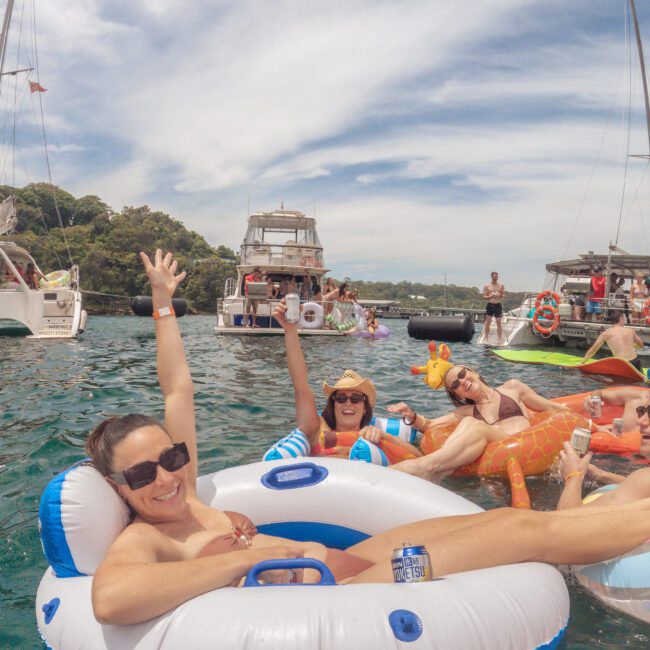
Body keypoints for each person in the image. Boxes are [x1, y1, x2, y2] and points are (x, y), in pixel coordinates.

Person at [87, 254, 650, 626]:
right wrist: (237, 564)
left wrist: (163, 303)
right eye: (142, 474)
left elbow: (178, 391)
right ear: (118, 485)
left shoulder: (185, 497)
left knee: (492, 523)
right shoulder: (145, 540)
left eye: (172, 457)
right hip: (349, 585)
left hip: (349, 558)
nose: (165, 476)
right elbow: (111, 601)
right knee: (522, 529)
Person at [387, 363, 569, 482]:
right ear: (458, 394)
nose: (462, 382)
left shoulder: (513, 388)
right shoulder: (468, 411)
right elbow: (430, 425)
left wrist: (592, 423)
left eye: (463, 374)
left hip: (525, 447)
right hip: (500, 456)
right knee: (468, 421)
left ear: (473, 371)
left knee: (477, 426)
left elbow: (551, 408)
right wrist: (410, 415)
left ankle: (427, 467)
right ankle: (434, 470)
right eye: (456, 385)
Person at [482, 271, 505, 344]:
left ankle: (500, 339)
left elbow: (503, 295)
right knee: (488, 322)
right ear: (492, 276)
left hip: (498, 305)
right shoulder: (487, 285)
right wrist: (491, 296)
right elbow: (484, 296)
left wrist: (500, 295)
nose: (496, 277)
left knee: (499, 322)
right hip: (490, 304)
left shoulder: (501, 285)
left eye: (497, 276)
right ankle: (486, 337)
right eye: (494, 276)